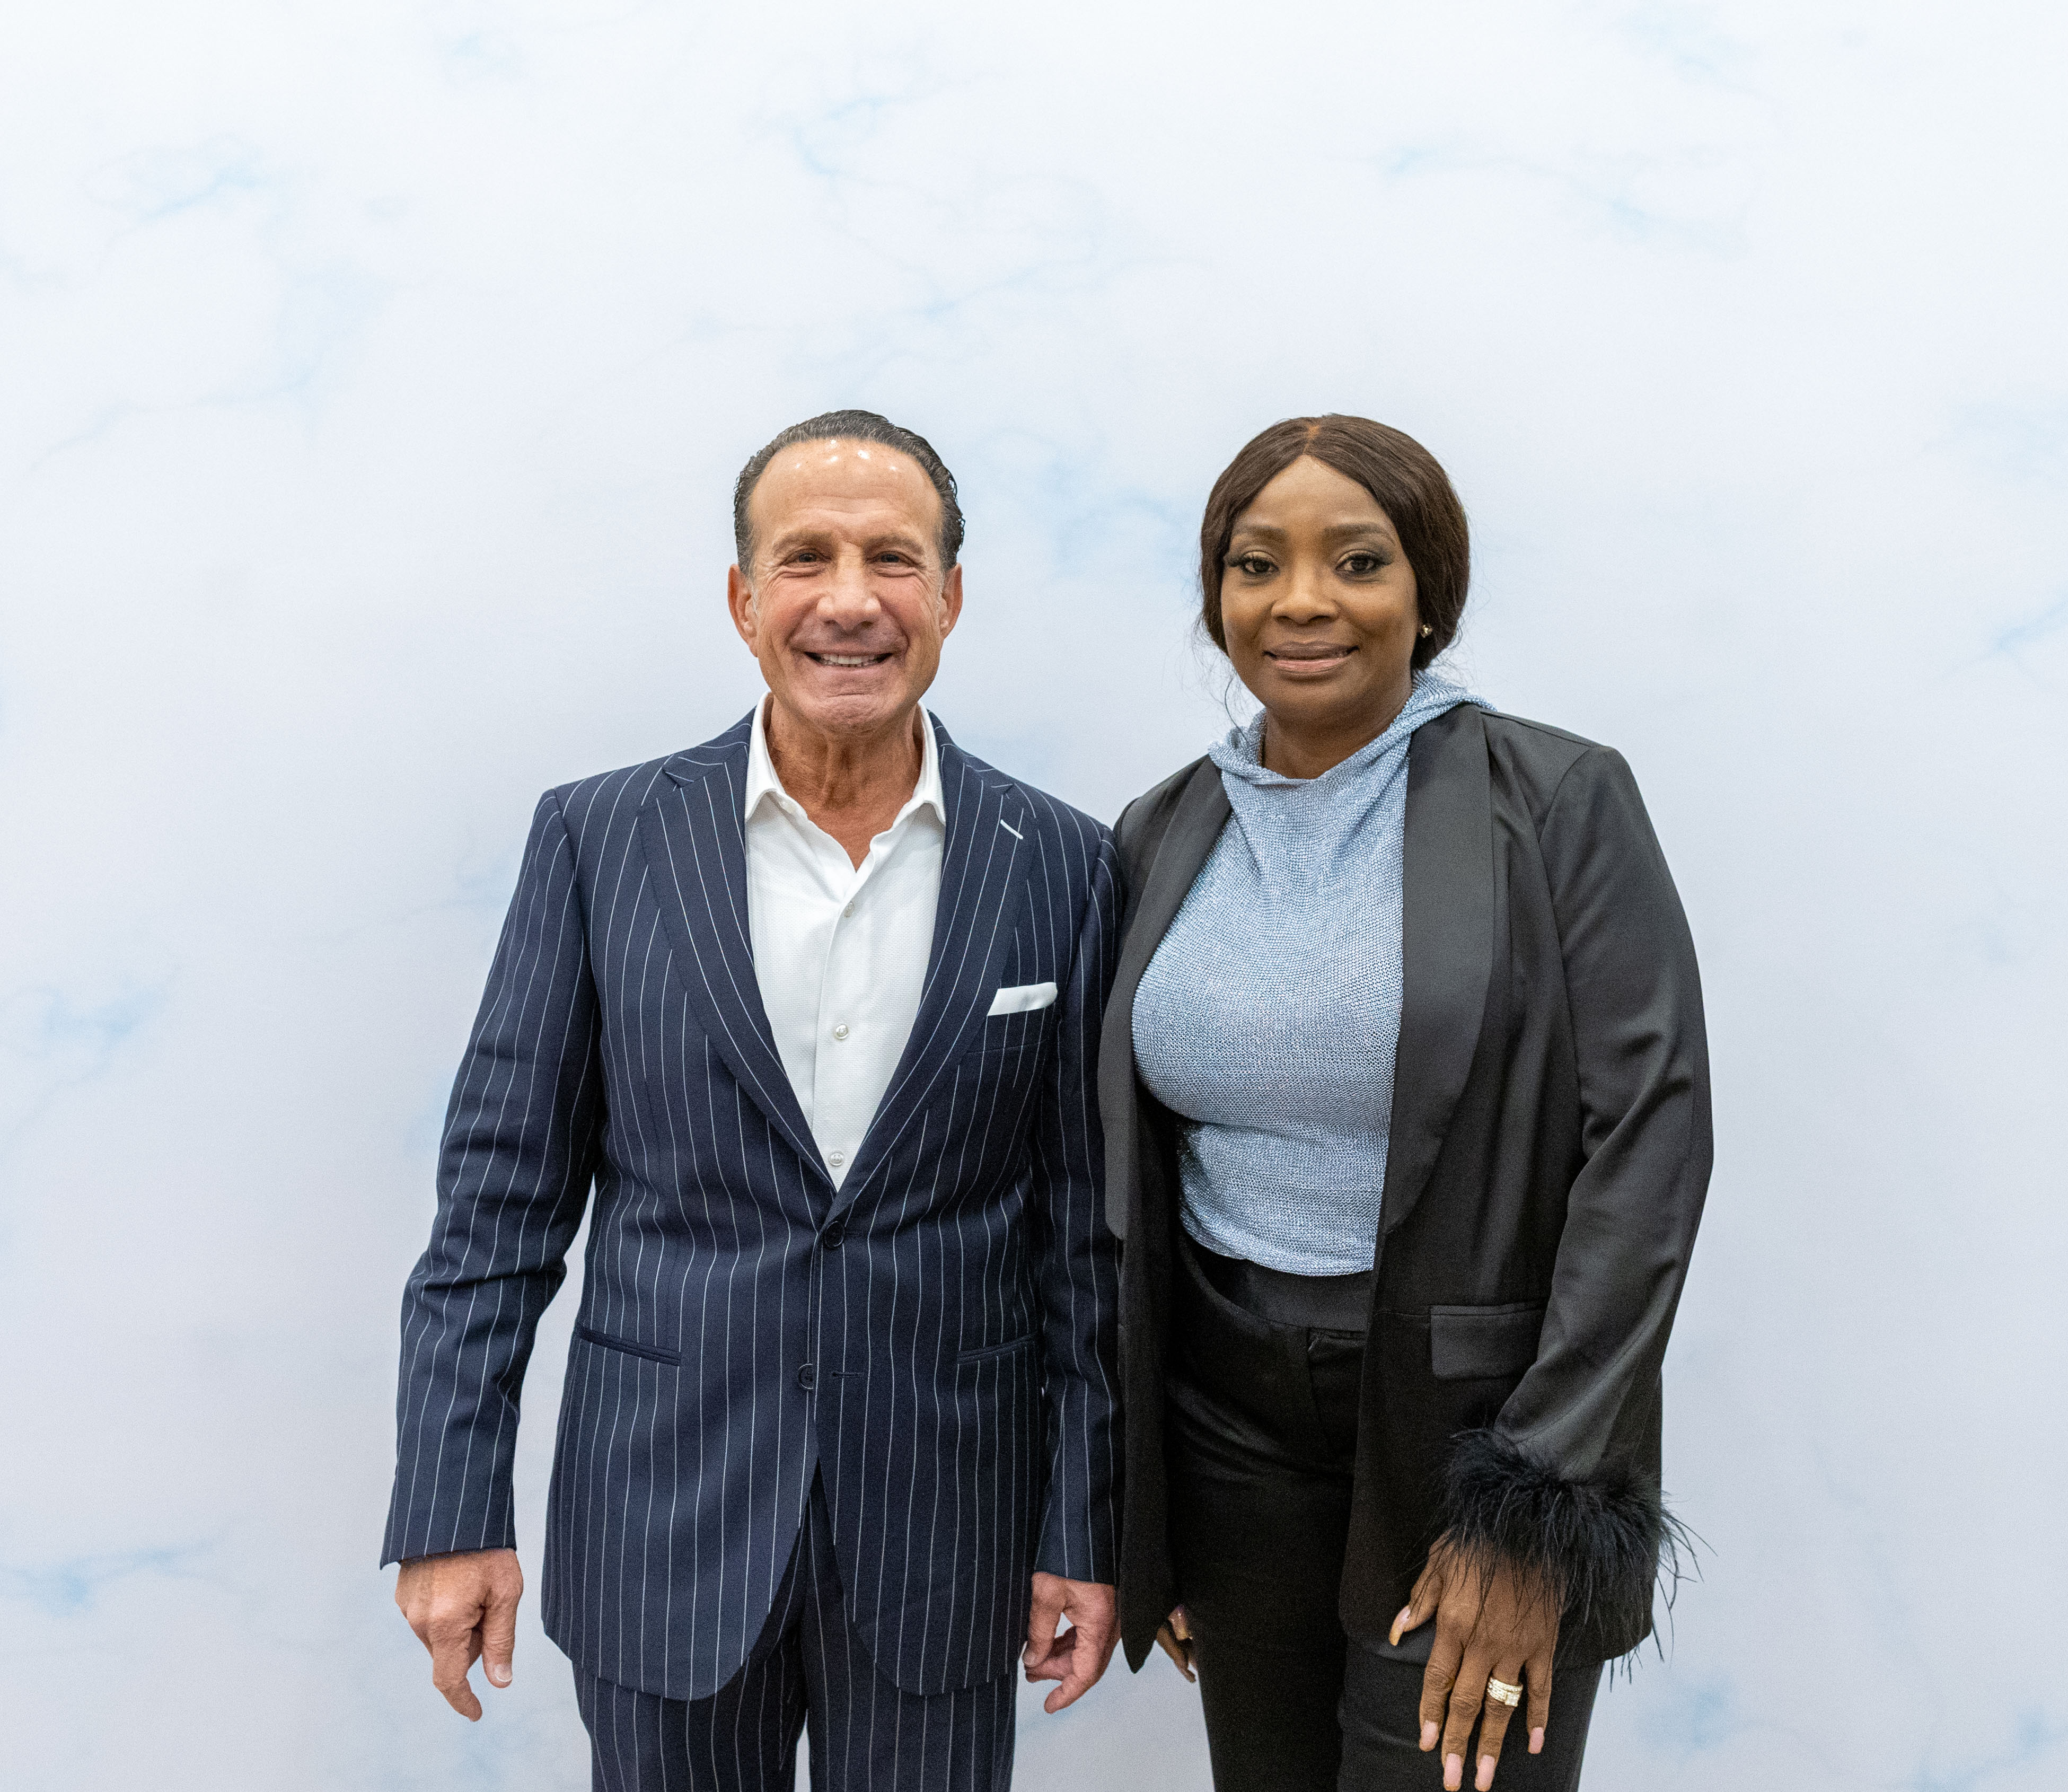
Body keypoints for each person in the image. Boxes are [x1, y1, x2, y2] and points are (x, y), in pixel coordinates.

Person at [384, 410, 1123, 1792]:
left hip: (945, 1540)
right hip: (661, 1522)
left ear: (952, 597)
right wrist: (450, 1504)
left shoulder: (1065, 866)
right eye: (806, 558)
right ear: (742, 598)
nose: (851, 599)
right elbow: (495, 1209)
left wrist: (1086, 1522)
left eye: (892, 558)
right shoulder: (599, 841)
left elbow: (1084, 1244)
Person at [1102, 416, 1712, 1791]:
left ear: (1430, 589)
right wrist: (1144, 1497)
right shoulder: (1162, 828)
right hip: (1226, 1434)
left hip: (1479, 1432)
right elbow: (1125, 1168)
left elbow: (1651, 1147)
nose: (1302, 599)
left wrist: (1537, 1494)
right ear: (1217, 597)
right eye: (1257, 563)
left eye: (1357, 559)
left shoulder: (1556, 801)